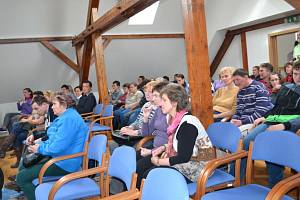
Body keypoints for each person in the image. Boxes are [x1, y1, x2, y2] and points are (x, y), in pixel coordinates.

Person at [136, 84, 212, 188]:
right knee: (140, 167)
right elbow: (180, 145)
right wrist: (163, 147)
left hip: (199, 167)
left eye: (164, 100)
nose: (160, 103)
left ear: (175, 102)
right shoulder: (175, 119)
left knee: (150, 176)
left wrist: (158, 162)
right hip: (187, 159)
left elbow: (183, 157)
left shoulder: (187, 124)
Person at [16, 93, 88, 200]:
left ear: (64, 104)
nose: (52, 106)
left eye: (54, 104)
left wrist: (39, 148)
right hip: (58, 157)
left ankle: (32, 193)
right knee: (23, 165)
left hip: (65, 163)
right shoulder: (65, 117)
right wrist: (39, 142)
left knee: (21, 177)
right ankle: (30, 191)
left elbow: (57, 147)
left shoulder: (69, 119)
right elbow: (52, 137)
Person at [240, 61, 300, 187]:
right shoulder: (286, 87)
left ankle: (275, 183)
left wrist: (284, 125)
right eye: (295, 74)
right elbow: (276, 108)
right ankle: (239, 180)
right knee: (247, 141)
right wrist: (263, 117)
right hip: (272, 120)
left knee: (270, 144)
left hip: (291, 126)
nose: (297, 78)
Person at [230, 68, 273, 133]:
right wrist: (234, 119)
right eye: (234, 81)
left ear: (246, 77)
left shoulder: (258, 87)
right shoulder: (241, 91)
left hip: (256, 122)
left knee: (233, 136)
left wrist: (242, 122)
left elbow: (261, 112)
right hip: (243, 122)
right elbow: (238, 110)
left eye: (237, 79)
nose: (236, 83)